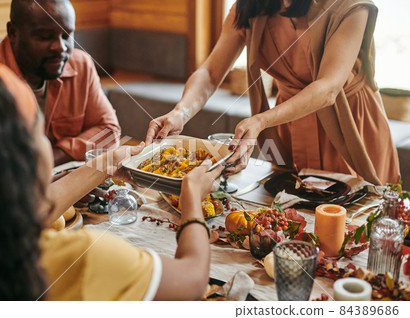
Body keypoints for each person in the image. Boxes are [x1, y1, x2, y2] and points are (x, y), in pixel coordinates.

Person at [0, 63, 224, 300]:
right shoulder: (82, 259)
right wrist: (191, 201)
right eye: (39, 131)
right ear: (22, 156)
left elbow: (35, 210)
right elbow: (190, 280)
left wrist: (105, 164)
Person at [145, 0, 400, 185]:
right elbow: (212, 72)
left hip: (348, 123)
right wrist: (180, 112)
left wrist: (261, 120)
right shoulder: (250, 7)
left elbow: (328, 88)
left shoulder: (351, 7)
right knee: (292, 216)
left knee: (357, 223)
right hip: (289, 125)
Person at [0, 0, 121, 166]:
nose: (60, 47)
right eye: (45, 37)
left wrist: (49, 159)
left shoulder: (80, 65)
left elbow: (108, 132)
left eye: (66, 36)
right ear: (13, 33)